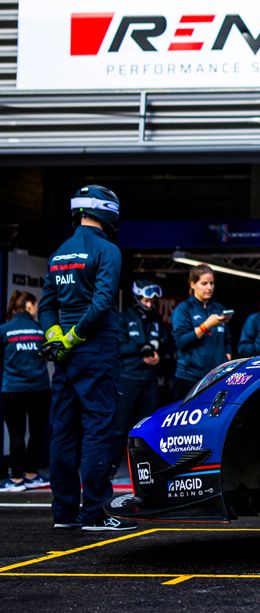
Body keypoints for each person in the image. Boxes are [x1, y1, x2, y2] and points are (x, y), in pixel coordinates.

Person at [38, 184, 134, 531]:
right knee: (98, 428)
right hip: (94, 349)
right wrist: (76, 336)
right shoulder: (108, 250)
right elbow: (103, 301)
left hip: (63, 355)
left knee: (63, 430)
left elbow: (47, 306)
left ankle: (63, 513)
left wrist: (56, 336)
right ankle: (93, 512)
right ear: (106, 210)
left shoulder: (59, 253)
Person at [112, 280, 165, 470]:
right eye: (146, 299)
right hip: (127, 378)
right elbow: (116, 347)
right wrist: (138, 349)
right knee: (120, 425)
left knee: (149, 425)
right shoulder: (123, 318)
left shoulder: (157, 320)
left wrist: (158, 358)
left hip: (149, 379)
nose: (150, 303)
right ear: (137, 298)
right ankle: (111, 466)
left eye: (152, 300)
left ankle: (146, 465)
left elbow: (165, 344)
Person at [0, 291, 51, 492]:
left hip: (13, 390)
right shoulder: (41, 330)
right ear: (29, 305)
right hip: (39, 390)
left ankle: (17, 479)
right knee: (37, 433)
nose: (37, 309)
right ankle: (31, 474)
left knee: (16, 435)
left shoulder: (4, 330)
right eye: (35, 304)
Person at [171, 264, 233, 398]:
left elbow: (227, 339)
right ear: (193, 284)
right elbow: (181, 342)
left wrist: (227, 354)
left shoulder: (218, 308)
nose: (209, 287)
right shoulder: (184, 309)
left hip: (216, 377)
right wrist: (205, 326)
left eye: (212, 283)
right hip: (190, 378)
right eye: (204, 283)